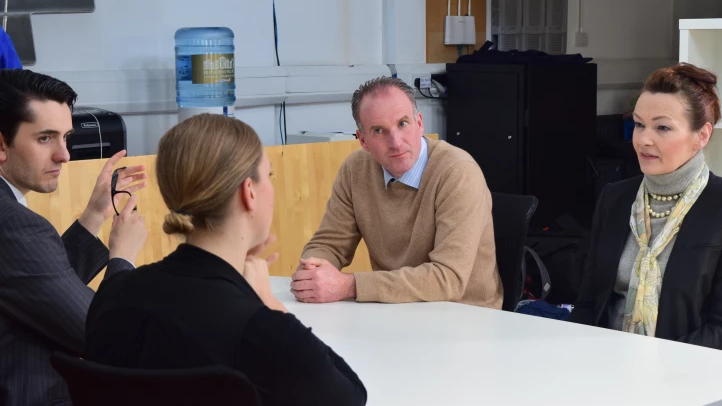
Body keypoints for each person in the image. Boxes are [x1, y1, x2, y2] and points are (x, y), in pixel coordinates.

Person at [85, 114, 367, 406]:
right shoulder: (258, 326)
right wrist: (269, 304)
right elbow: (350, 397)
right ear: (249, 193)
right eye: (268, 176)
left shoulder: (113, 294)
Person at [570, 63, 722, 364]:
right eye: (639, 124)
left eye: (662, 127)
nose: (643, 140)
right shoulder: (616, 198)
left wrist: (646, 368)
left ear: (701, 136)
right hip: (607, 368)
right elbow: (588, 304)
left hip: (690, 373)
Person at [0, 69, 148, 406]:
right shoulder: (15, 226)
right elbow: (109, 340)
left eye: (65, 137)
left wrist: (94, 215)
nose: (64, 155)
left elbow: (36, 286)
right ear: (2, 144)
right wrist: (121, 257)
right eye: (45, 138)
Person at [292, 77, 503, 308]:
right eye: (379, 130)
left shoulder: (457, 172)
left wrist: (350, 285)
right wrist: (313, 272)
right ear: (362, 140)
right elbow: (329, 243)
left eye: (403, 123)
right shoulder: (355, 169)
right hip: (397, 310)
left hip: (466, 317)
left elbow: (448, 279)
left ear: (419, 123)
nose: (395, 142)